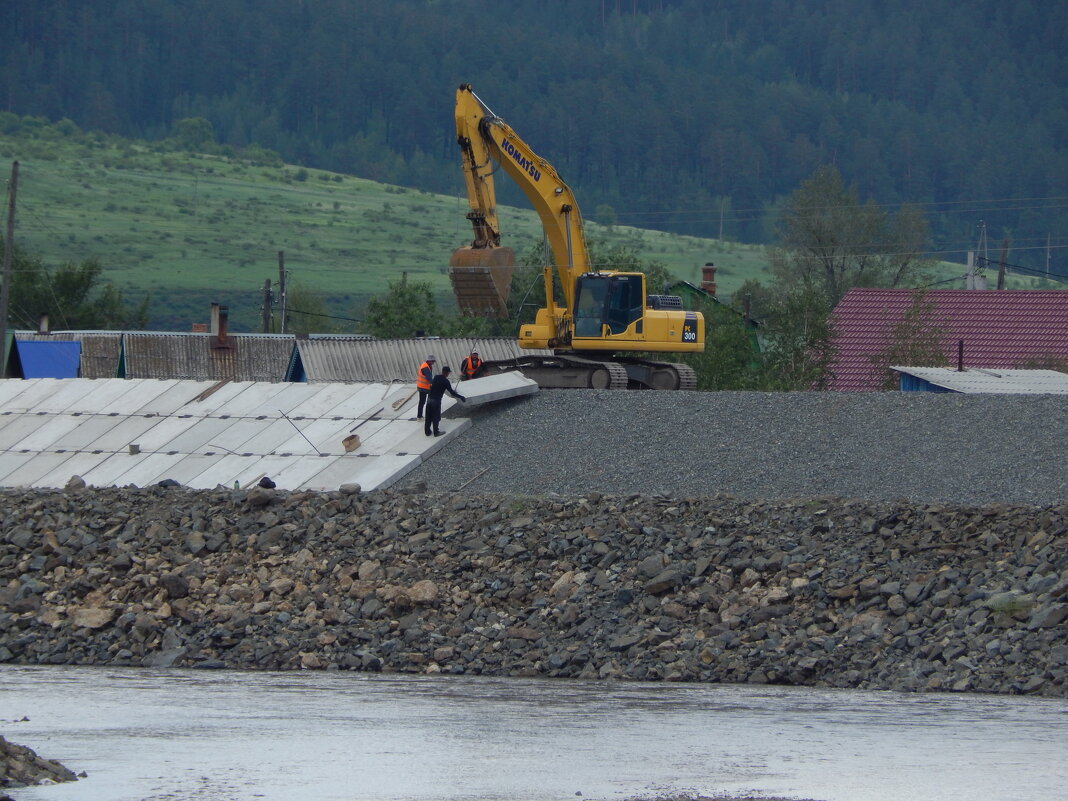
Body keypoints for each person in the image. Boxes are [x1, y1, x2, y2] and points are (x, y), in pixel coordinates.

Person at [424, 366, 465, 436]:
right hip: (436, 401)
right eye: (448, 372)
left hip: (429, 399)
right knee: (436, 417)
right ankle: (436, 432)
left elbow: (432, 386)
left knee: (428, 416)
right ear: (447, 373)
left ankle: (427, 432)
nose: (448, 374)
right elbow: (452, 392)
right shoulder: (445, 381)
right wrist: (461, 397)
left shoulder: (436, 377)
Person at [415, 354, 436, 419]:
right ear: (429, 361)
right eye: (433, 361)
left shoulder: (427, 365)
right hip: (424, 388)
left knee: (422, 402)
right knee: (428, 401)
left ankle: (420, 416)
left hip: (423, 386)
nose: (433, 363)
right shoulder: (426, 368)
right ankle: (422, 416)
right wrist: (435, 384)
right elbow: (429, 378)